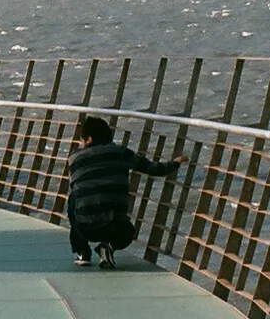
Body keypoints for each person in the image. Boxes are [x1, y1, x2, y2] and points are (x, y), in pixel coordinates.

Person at [66, 115, 187, 269]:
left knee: (74, 198)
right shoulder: (122, 153)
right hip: (115, 227)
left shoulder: (74, 157)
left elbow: (75, 185)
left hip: (85, 228)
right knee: (127, 230)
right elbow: (155, 169)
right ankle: (108, 247)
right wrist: (175, 163)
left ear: (88, 139)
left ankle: (83, 252)